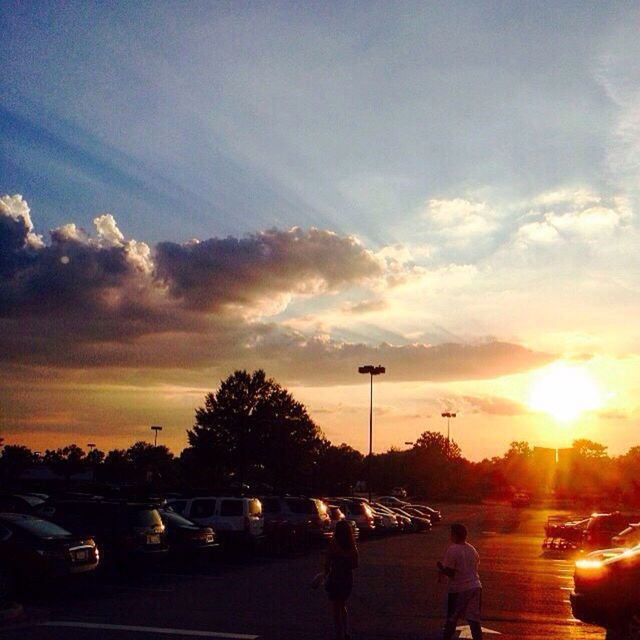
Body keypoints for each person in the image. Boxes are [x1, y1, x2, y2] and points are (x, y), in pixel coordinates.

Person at [437, 523, 483, 640]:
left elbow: (451, 572)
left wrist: (442, 569)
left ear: (455, 535)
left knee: (452, 617)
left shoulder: (453, 549)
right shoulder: (472, 549)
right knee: (474, 619)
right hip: (475, 586)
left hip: (459, 589)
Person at [324, 519, 359, 640]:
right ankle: (345, 631)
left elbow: (327, 563)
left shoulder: (333, 544)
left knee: (335, 607)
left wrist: (324, 574)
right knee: (343, 605)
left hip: (336, 577)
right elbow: (355, 564)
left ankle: (338, 633)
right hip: (347, 578)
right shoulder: (352, 546)